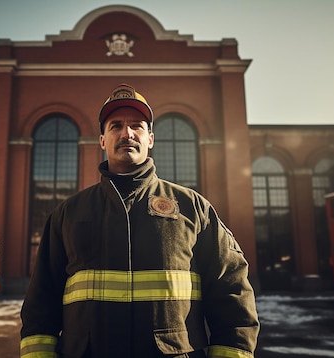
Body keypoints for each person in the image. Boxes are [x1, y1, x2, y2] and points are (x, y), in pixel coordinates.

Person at [20, 84, 259, 358]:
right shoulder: (68, 214)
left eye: (137, 126)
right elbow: (41, 302)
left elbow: (231, 289)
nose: (127, 133)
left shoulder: (193, 208)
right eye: (115, 126)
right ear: (102, 140)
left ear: (150, 139)